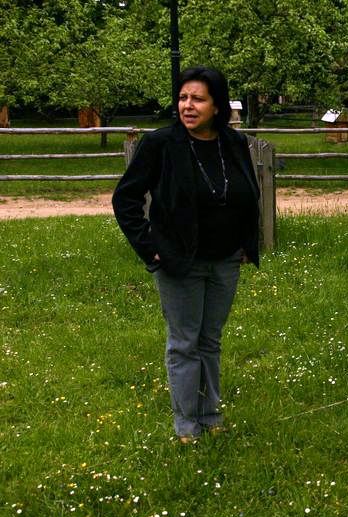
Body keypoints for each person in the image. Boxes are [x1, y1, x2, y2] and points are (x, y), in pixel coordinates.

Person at [113, 66, 260, 444]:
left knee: (210, 340)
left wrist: (245, 243)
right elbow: (125, 198)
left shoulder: (234, 143)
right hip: (179, 262)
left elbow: (247, 194)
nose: (188, 106)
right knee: (184, 343)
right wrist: (149, 247)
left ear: (217, 106)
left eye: (198, 99)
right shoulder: (161, 144)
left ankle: (210, 415)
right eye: (183, 98)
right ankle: (187, 426)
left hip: (226, 261)